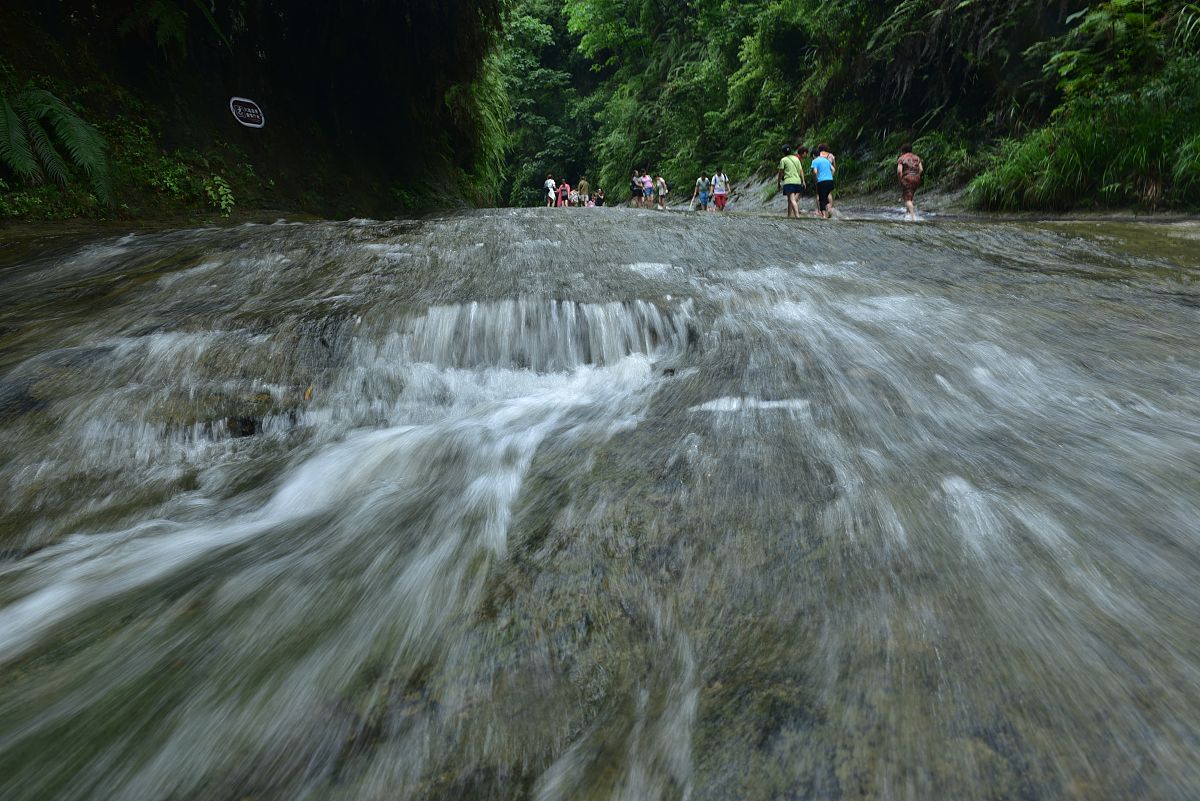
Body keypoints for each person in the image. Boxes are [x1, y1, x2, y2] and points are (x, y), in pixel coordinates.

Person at [777, 145, 808, 218]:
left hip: (789, 182)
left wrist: (778, 182)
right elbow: (801, 171)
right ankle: (789, 215)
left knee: (792, 199)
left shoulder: (783, 160)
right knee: (790, 200)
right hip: (797, 181)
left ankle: (797, 216)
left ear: (783, 152)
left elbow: (780, 172)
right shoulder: (796, 159)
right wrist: (803, 181)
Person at [897, 144, 924, 220]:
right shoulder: (916, 158)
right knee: (910, 196)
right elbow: (921, 169)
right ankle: (907, 213)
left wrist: (900, 179)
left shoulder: (901, 158)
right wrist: (916, 175)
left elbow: (899, 171)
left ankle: (913, 217)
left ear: (903, 151)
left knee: (907, 198)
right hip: (916, 178)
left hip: (907, 178)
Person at [811, 145, 835, 219]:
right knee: (826, 197)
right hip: (830, 181)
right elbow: (833, 169)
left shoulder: (814, 161)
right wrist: (830, 177)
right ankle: (830, 210)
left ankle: (824, 216)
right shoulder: (826, 160)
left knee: (821, 199)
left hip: (821, 182)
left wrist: (817, 179)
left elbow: (815, 171)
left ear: (813, 155)